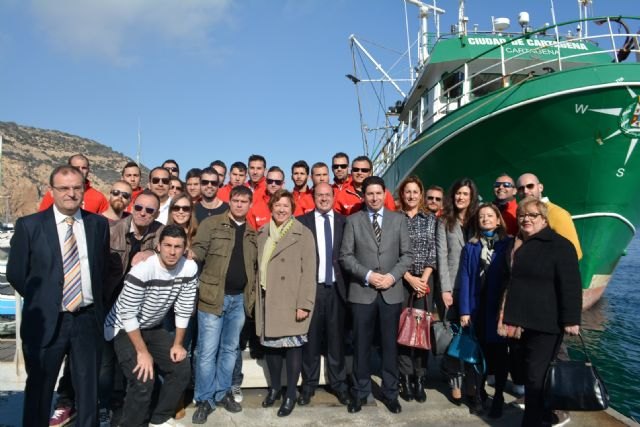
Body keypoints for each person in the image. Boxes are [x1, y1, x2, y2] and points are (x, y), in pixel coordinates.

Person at [8, 165, 110, 426]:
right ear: (51, 190)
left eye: (77, 187)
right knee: (40, 390)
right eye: (64, 188)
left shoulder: (97, 224)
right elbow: (17, 273)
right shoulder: (29, 226)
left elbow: (101, 269)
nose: (71, 193)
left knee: (88, 390)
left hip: (87, 320)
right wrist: (45, 300)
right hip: (47, 322)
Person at [499, 197, 581, 427]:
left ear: (544, 219)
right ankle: (543, 415)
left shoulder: (560, 245)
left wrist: (571, 319)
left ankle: (531, 421)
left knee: (536, 377)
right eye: (522, 215)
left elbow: (571, 284)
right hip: (520, 321)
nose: (526, 219)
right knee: (528, 374)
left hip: (546, 323)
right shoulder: (521, 243)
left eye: (532, 215)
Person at [104, 225, 198, 427]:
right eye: (168, 246)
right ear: (158, 246)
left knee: (181, 369)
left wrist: (178, 344)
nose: (172, 252)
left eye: (178, 247)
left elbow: (184, 307)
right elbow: (127, 314)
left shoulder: (189, 268)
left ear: (185, 248)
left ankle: (158, 419)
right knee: (143, 379)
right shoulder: (143, 270)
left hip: (152, 326)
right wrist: (142, 352)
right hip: (122, 327)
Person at [340, 176, 413, 414]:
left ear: (385, 194)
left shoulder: (398, 220)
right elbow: (346, 256)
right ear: (364, 196)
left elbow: (407, 256)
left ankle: (391, 393)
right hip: (363, 292)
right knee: (361, 346)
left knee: (390, 346)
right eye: (369, 194)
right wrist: (369, 275)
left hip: (391, 293)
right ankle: (361, 393)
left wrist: (392, 277)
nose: (374, 198)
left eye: (378, 194)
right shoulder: (353, 221)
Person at [191, 186, 258, 423]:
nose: (240, 205)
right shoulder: (212, 225)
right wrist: (187, 256)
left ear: (250, 204)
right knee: (207, 351)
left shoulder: (252, 232)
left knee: (230, 350)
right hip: (212, 297)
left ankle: (222, 393)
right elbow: (198, 250)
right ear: (229, 201)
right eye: (236, 200)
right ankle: (204, 399)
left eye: (244, 201)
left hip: (239, 300)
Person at [101, 189, 164, 426]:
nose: (143, 213)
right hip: (111, 304)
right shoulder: (112, 231)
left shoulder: (159, 231)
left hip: (140, 309)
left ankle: (129, 408)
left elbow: (177, 248)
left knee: (132, 362)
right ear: (132, 206)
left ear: (156, 213)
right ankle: (107, 406)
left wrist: (150, 251)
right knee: (108, 362)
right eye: (139, 207)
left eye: (149, 210)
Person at [256, 189, 316, 417]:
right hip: (268, 299)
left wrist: (305, 303)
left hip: (292, 301)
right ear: (271, 207)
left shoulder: (303, 233)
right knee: (271, 349)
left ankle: (290, 393)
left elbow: (309, 271)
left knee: (292, 349)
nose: (281, 210)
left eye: (286, 206)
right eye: (277, 205)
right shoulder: (262, 233)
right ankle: (274, 389)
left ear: (292, 210)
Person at [297, 183, 351, 407]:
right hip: (313, 289)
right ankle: (308, 385)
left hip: (337, 289)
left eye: (327, 195)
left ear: (333, 196)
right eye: (319, 195)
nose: (323, 198)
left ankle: (338, 384)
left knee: (336, 339)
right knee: (310, 340)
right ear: (313, 197)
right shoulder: (302, 223)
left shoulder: (344, 222)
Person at [458, 203, 512, 417]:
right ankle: (478, 394)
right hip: (477, 308)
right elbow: (465, 278)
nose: (486, 219)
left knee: (500, 356)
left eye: (490, 215)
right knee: (477, 356)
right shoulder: (470, 247)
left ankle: (498, 395)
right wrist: (464, 310)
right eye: (481, 216)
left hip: (499, 311)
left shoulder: (508, 245)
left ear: (498, 220)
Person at [436, 177, 479, 404]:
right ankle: (455, 383)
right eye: (458, 194)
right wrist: (444, 289)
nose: (461, 197)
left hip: (473, 289)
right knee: (453, 335)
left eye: (465, 194)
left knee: (473, 335)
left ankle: (472, 381)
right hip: (452, 286)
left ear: (471, 197)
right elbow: (441, 257)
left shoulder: (477, 221)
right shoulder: (445, 221)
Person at [396, 176, 436, 404]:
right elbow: (392, 252)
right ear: (402, 195)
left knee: (421, 333)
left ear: (421, 195)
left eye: (415, 192)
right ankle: (405, 377)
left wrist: (423, 281)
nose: (411, 196)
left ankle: (419, 378)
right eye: (407, 192)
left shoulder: (430, 219)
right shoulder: (394, 219)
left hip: (424, 282)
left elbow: (433, 250)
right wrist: (410, 278)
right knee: (402, 332)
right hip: (401, 281)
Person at [516, 173, 582, 259]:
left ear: (540, 187)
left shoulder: (557, 213)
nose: (525, 191)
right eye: (521, 188)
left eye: (530, 186)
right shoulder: (522, 216)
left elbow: (573, 252)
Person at [39, 154, 109, 214]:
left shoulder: (99, 198)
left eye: (84, 168)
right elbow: (42, 218)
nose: (80, 170)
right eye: (76, 167)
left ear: (88, 170)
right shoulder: (56, 193)